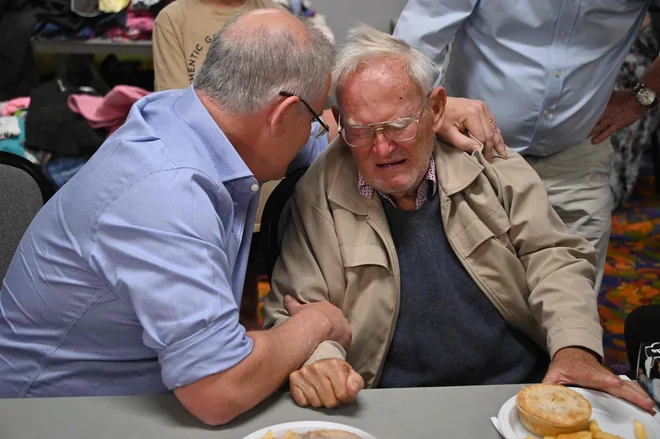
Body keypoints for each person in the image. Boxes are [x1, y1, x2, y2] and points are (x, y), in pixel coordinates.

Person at [263, 26, 656, 413]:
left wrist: (574, 347)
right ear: (339, 120)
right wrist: (324, 363)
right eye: (362, 131)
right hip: (384, 402)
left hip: (519, 390)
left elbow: (553, 255)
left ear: (435, 109)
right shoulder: (318, 194)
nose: (382, 148)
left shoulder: (488, 160)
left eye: (399, 125)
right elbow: (297, 306)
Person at [0, 9, 353, 426]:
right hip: (50, 418)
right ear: (280, 116)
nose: (313, 135)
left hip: (143, 391)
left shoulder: (187, 113)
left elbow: (319, 141)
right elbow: (219, 389)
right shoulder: (168, 193)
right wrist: (317, 323)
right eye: (312, 121)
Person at [393, 0, 660, 293]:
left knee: (572, 306)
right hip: (474, 157)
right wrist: (433, 109)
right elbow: (414, 41)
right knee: (470, 298)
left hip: (576, 163)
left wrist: (642, 97)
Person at [153, 0, 335, 330]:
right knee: (215, 314)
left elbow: (309, 95)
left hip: (266, 195)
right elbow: (178, 108)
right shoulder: (175, 18)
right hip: (212, 192)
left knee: (251, 306)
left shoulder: (274, 10)